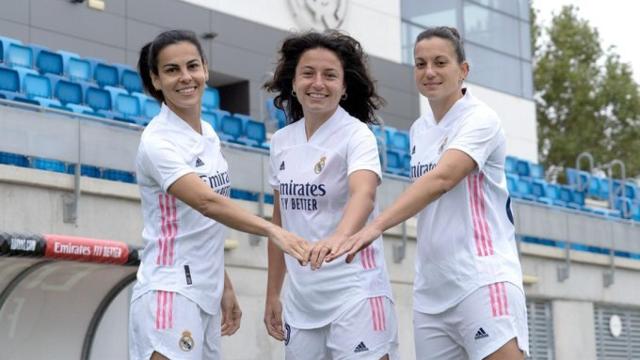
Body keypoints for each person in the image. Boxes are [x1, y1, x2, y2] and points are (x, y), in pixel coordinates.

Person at [328, 27, 530, 360]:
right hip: (431, 293)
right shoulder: (418, 130)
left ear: (462, 70)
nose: (430, 72)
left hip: (481, 279)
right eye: (420, 64)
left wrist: (375, 227)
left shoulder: (481, 118)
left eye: (440, 62)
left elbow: (443, 178)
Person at [129, 29, 310, 360]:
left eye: (192, 66)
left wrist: (223, 284)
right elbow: (206, 202)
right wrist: (272, 229)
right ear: (156, 80)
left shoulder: (209, 134)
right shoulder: (157, 142)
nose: (185, 77)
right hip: (170, 290)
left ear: (206, 69)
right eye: (172, 70)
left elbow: (202, 226)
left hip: (207, 293)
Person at [262, 31, 399, 360]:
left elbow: (363, 194)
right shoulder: (281, 141)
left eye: (330, 75)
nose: (318, 83)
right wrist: (272, 294)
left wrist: (338, 238)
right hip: (302, 301)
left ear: (344, 86)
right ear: (293, 83)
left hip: (357, 293)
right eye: (308, 73)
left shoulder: (357, 135)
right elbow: (280, 223)